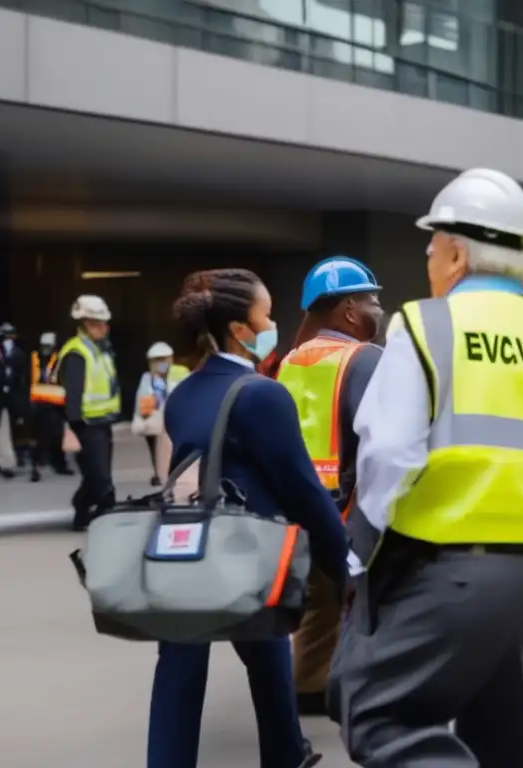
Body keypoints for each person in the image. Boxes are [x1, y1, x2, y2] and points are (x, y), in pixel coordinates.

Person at [337, 168, 523, 766]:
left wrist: (360, 550)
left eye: (432, 247)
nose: (428, 260)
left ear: (458, 253)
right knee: (504, 735)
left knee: (382, 716)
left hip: (448, 571)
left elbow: (389, 452)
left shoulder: (425, 325)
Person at [147, 268, 349, 768]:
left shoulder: (184, 394)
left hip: (190, 550)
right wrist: (344, 562)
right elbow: (302, 488)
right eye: (265, 314)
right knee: (266, 651)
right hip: (248, 553)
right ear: (240, 328)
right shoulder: (261, 394)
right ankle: (282, 754)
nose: (272, 322)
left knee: (180, 666)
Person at [275, 255, 384, 717]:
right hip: (347, 509)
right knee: (359, 603)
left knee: (319, 605)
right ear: (348, 310)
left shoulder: (290, 361)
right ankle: (349, 690)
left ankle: (307, 686)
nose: (378, 309)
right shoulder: (365, 360)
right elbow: (385, 439)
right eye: (372, 300)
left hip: (298, 506)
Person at [56, 296, 121, 530]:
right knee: (101, 478)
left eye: (104, 323)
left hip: (102, 422)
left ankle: (82, 509)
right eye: (97, 323)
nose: (103, 328)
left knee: (96, 473)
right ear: (84, 324)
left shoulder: (101, 349)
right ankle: (107, 516)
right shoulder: (77, 352)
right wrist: (71, 428)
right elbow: (72, 394)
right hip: (85, 424)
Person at [131, 342, 189, 485]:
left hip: (176, 418)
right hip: (156, 420)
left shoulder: (180, 372)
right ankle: (159, 473)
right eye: (157, 360)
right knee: (155, 447)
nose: (161, 363)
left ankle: (175, 472)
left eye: (164, 359)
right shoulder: (147, 377)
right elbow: (143, 399)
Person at [0, 322, 27, 478]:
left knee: (3, 435)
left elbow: (21, 381)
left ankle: (6, 464)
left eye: (11, 336)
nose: (9, 340)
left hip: (6, 402)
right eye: (6, 337)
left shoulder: (19, 355)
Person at [28, 331, 72, 482]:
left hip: (55, 405)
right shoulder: (33, 358)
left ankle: (59, 464)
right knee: (38, 438)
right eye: (43, 346)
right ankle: (36, 466)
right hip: (37, 404)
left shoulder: (59, 359)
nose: (45, 349)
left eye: (48, 346)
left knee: (57, 436)